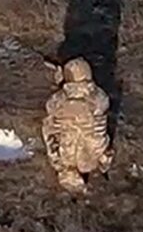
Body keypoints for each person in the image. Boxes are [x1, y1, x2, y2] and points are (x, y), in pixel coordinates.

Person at [41, 57, 112, 192]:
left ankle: (67, 173)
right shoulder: (100, 97)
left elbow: (50, 108)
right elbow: (104, 108)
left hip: (67, 156)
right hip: (93, 158)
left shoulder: (59, 99)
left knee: (48, 124)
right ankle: (102, 161)